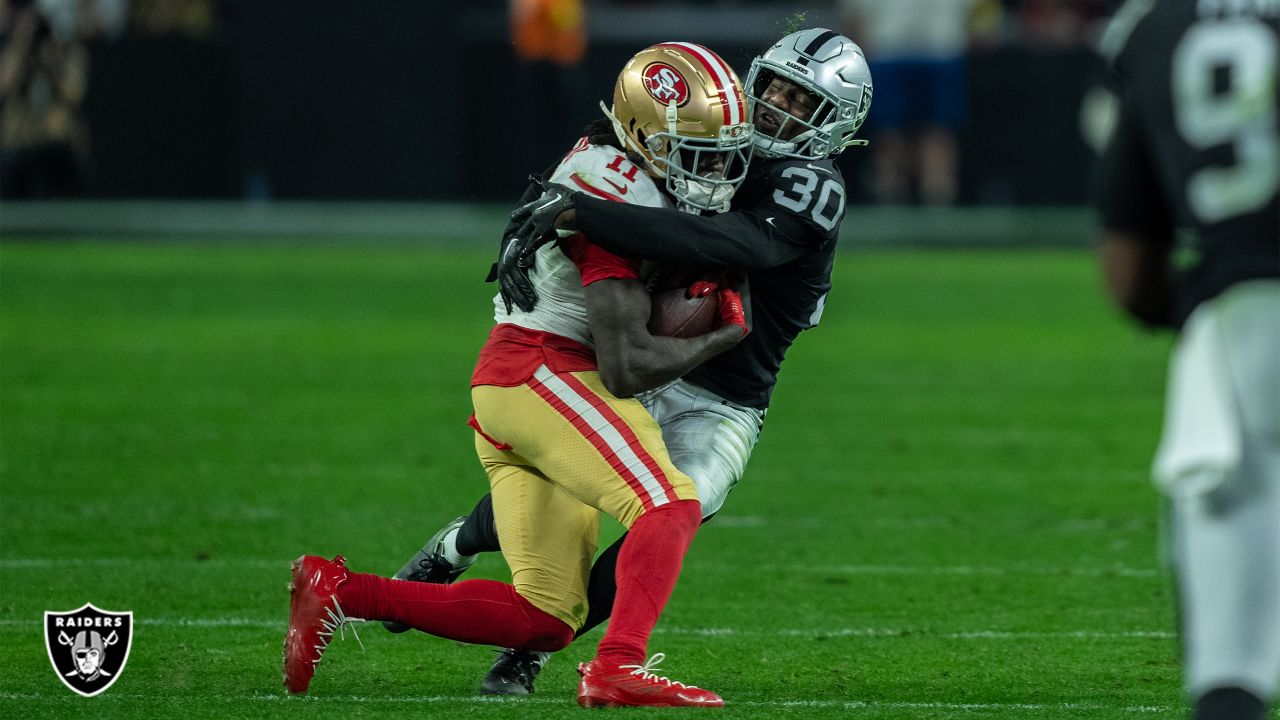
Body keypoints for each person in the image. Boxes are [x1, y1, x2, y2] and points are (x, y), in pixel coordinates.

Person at [390, 27, 874, 695]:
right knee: (563, 491)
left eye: (803, 101)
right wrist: (547, 205)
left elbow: (731, 241)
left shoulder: (809, 182)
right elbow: (618, 135)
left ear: (836, 124)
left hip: (725, 396)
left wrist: (581, 214)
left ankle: (531, 653)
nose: (777, 109)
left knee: (672, 514)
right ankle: (457, 545)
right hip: (642, 356)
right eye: (776, 89)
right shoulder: (713, 123)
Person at [283, 41, 754, 708]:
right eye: (697, 153)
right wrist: (723, 336)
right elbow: (624, 369)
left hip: (517, 387)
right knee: (670, 502)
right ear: (645, 135)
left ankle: (340, 590)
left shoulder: (612, 165)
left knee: (548, 616)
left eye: (724, 154)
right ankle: (619, 663)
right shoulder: (619, 190)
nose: (715, 173)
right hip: (545, 372)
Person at [1094, 2, 1279, 719]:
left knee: (1232, 668)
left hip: (1240, 320)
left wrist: (1197, 307)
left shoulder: (1157, 27)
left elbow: (1129, 269)